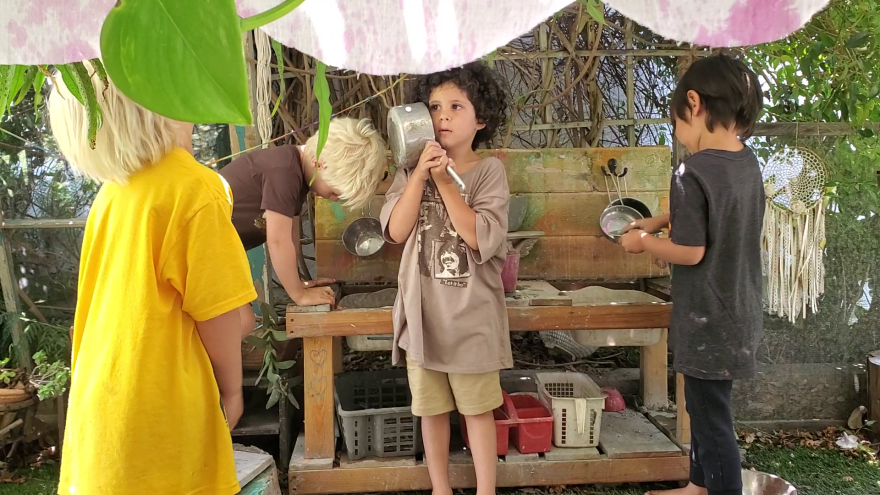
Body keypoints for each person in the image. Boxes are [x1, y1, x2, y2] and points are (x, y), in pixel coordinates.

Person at [49, 63, 257, 495]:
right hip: (160, 422)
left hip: (100, 421)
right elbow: (219, 314)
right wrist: (233, 391)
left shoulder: (111, 194)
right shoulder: (193, 189)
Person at [620, 54, 765, 495]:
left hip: (705, 316)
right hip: (738, 310)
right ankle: (698, 487)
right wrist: (660, 220)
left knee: (712, 422)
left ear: (694, 104)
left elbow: (691, 250)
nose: (679, 136)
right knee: (704, 411)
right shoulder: (746, 162)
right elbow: (712, 214)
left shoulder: (691, 170)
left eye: (676, 124)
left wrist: (642, 243)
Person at [381, 62, 511, 495]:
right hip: (423, 318)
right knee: (431, 410)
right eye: (435, 107)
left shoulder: (489, 171)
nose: (443, 116)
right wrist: (419, 174)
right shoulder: (409, 171)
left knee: (476, 410)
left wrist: (444, 181)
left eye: (457, 106)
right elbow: (396, 231)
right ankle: (440, 488)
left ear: (481, 118)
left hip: (471, 319)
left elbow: (478, 236)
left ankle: (485, 490)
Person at [219, 118, 388, 307]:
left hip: (217, 250)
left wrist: (298, 282)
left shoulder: (296, 173)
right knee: (240, 322)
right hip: (198, 244)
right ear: (318, 164)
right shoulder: (283, 171)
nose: (333, 199)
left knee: (241, 321)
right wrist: (299, 295)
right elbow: (278, 241)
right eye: (334, 192)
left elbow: (291, 236)